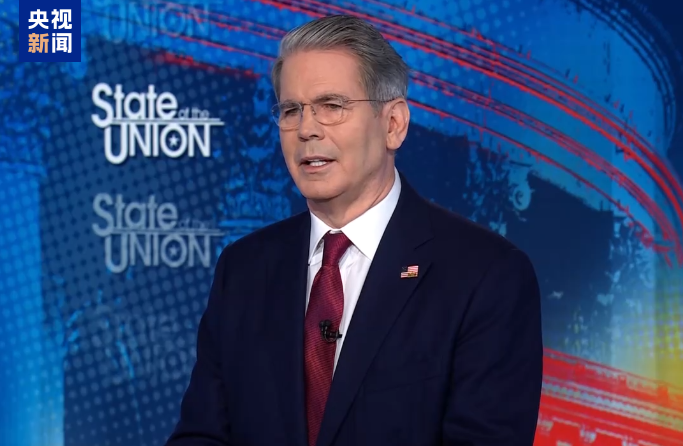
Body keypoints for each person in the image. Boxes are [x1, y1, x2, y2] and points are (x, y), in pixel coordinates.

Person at [165, 14, 543, 446]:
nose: (307, 129)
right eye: (291, 110)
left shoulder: (486, 275)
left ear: (393, 124)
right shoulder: (244, 269)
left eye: (331, 106)